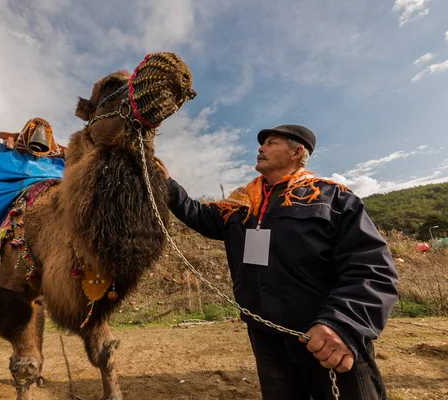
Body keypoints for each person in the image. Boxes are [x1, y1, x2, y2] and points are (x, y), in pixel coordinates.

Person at [155, 124, 398, 400]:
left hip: (325, 337)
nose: (261, 147)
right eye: (263, 143)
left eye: (271, 142)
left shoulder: (334, 199)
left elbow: (373, 270)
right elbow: (198, 215)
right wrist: (167, 184)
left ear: (297, 152)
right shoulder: (241, 204)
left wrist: (343, 324)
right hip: (265, 336)